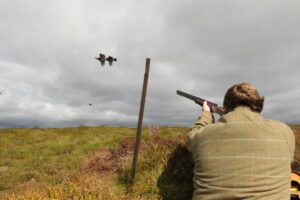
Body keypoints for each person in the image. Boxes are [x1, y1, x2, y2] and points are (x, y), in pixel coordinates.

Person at [186, 83, 295, 200]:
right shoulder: (285, 131)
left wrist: (206, 113)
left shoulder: (203, 135)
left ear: (226, 105)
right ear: (259, 105)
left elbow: (193, 136)